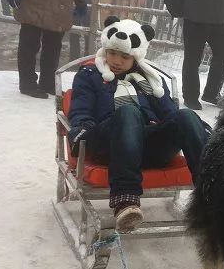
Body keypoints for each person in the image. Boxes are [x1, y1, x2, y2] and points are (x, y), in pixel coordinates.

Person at [68, 15, 210, 233]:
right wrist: (81, 133)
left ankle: (212, 195)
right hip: (109, 143)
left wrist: (199, 129)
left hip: (149, 146)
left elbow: (171, 114)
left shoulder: (150, 79)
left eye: (125, 56)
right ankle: (125, 201)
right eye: (112, 53)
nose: (117, 61)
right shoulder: (90, 75)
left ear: (136, 56)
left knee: (186, 115)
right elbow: (81, 111)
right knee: (128, 112)